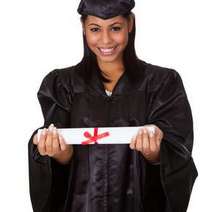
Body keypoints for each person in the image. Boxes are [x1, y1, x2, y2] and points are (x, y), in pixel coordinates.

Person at [28, 0, 198, 211]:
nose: (106, 40)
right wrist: (58, 153)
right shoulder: (61, 85)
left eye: (115, 28)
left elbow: (179, 153)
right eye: (95, 29)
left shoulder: (162, 84)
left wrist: (156, 153)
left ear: (130, 24)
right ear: (83, 28)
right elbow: (54, 167)